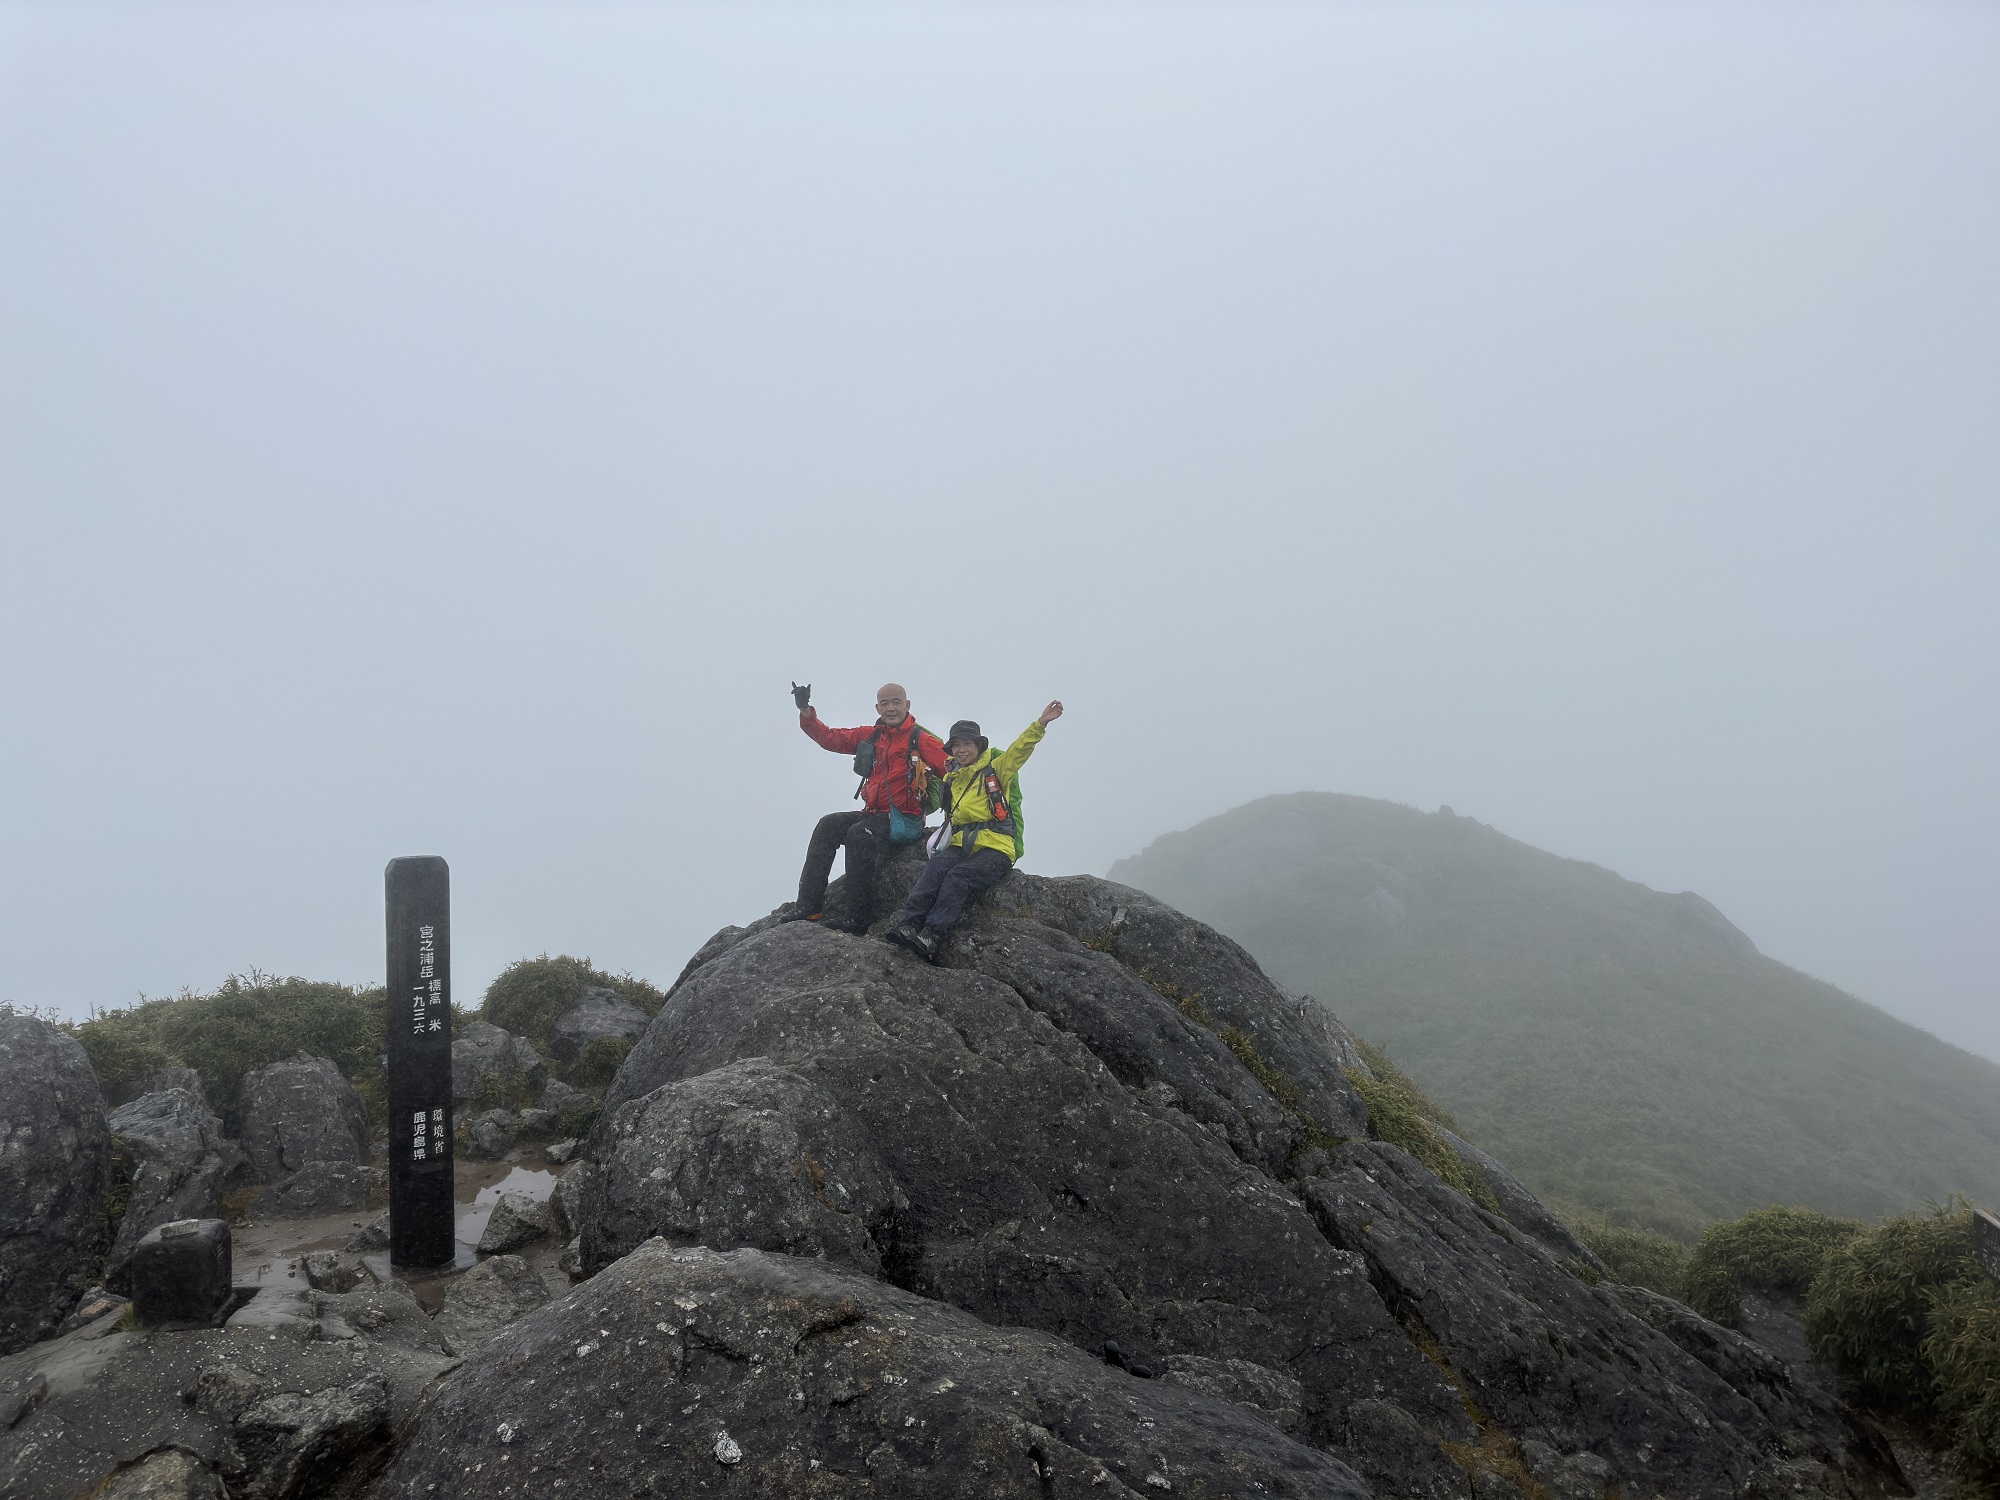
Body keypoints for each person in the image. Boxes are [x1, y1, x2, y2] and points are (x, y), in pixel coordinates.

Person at [885, 701, 1063, 962]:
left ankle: (931, 935)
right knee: (935, 868)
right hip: (962, 844)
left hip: (997, 847)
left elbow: (1019, 751)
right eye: (956, 745)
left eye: (967, 744)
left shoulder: (997, 769)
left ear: (979, 746)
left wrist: (1040, 724)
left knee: (958, 877)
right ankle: (909, 925)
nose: (961, 749)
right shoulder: (952, 778)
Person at [786, 682, 948, 933]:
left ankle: (858, 916)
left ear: (907, 705)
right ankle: (809, 906)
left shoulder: (921, 739)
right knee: (828, 824)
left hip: (905, 820)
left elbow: (953, 770)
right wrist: (806, 710)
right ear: (877, 707)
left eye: (896, 702)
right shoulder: (872, 735)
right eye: (885, 703)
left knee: (859, 834)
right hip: (873, 814)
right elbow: (830, 738)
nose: (891, 708)